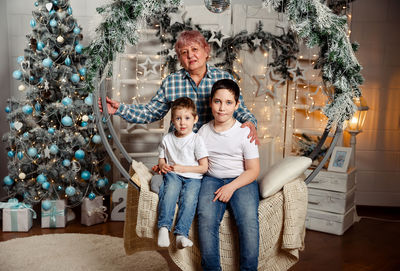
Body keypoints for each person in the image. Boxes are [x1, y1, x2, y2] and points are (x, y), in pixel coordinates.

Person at [98, 30, 259, 144]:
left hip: (214, 148)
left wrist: (251, 123)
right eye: (184, 52)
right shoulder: (171, 82)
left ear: (206, 51)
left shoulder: (224, 78)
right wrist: (119, 109)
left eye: (195, 49)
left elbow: (240, 110)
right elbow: (150, 113)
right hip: (180, 148)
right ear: (180, 60)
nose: (190, 55)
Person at [197, 79, 260, 271]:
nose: (222, 108)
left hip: (241, 180)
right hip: (212, 179)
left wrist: (231, 187)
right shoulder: (203, 132)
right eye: (217, 101)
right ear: (210, 102)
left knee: (248, 220)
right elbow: (198, 163)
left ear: (237, 105)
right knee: (206, 218)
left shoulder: (244, 132)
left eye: (228, 102)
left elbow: (253, 170)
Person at [153, 97, 208, 249]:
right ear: (172, 120)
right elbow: (161, 158)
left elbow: (204, 167)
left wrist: (184, 168)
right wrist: (163, 165)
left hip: (193, 178)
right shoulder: (167, 139)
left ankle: (181, 235)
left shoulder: (197, 140)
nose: (182, 123)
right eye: (178, 118)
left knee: (190, 199)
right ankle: (164, 228)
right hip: (173, 174)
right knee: (170, 191)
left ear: (195, 119)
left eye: (187, 118)